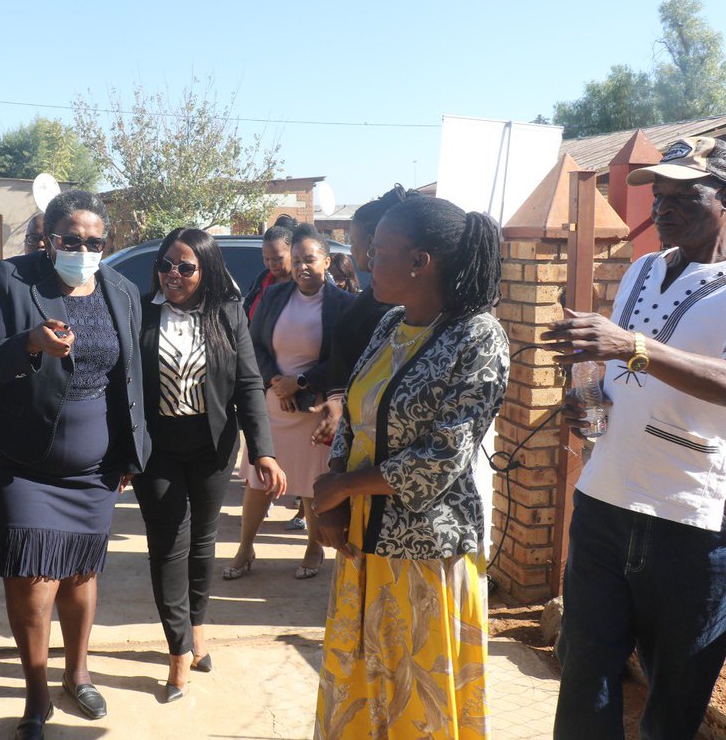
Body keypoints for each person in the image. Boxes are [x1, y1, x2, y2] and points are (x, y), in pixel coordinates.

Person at [544, 136, 726, 739]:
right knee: (585, 675)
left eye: (685, 195)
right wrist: (592, 394)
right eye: (659, 195)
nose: (664, 207)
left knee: (673, 698)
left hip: (689, 517)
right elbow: (624, 369)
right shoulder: (643, 268)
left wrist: (632, 348)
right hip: (604, 500)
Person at [311, 195, 507, 737]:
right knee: (362, 693)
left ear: (420, 261)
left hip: (424, 554)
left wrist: (343, 486)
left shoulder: (478, 337)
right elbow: (353, 416)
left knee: (416, 706)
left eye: (377, 250)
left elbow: (444, 456)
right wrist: (331, 498)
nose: (366, 261)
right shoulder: (390, 324)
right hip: (362, 545)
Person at [0, 190, 149, 740]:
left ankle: (78, 674)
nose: (84, 250)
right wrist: (28, 343)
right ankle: (36, 695)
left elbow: (129, 380)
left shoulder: (120, 289)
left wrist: (128, 451)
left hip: (93, 465)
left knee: (80, 571)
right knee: (33, 575)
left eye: (95, 242)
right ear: (49, 238)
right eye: (72, 240)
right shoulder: (11, 279)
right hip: (21, 458)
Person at [135, 227, 286, 702]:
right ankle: (178, 648)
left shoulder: (226, 314)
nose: (173, 275)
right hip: (156, 450)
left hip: (212, 446)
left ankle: (198, 628)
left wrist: (262, 450)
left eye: (185, 267)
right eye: (165, 265)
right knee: (167, 546)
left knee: (202, 543)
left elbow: (247, 385)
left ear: (206, 270)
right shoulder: (141, 312)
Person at [224, 223, 355, 580]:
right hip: (272, 405)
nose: (302, 267)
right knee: (257, 479)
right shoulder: (273, 297)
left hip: (313, 408)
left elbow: (344, 360)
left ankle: (313, 548)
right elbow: (253, 346)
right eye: (296, 260)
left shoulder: (344, 305)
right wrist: (275, 383)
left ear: (326, 262)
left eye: (310, 260)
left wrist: (298, 383)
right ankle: (245, 547)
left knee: (313, 483)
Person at [310, 185, 408, 448]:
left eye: (353, 242)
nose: (351, 250)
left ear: (372, 242)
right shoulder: (372, 294)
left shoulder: (392, 303)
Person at [243, 214, 297, 320]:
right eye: (266, 259)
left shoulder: (306, 282)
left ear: (293, 251)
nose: (271, 265)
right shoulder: (261, 280)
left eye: (277, 259)